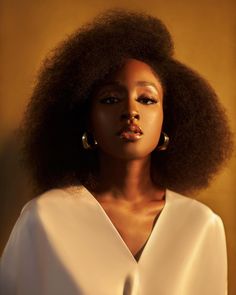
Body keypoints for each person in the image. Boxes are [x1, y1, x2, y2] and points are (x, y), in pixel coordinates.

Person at [0, 9, 233, 295]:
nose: (130, 112)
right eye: (110, 99)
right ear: (86, 119)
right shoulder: (44, 219)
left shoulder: (201, 226)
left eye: (146, 99)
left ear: (169, 118)